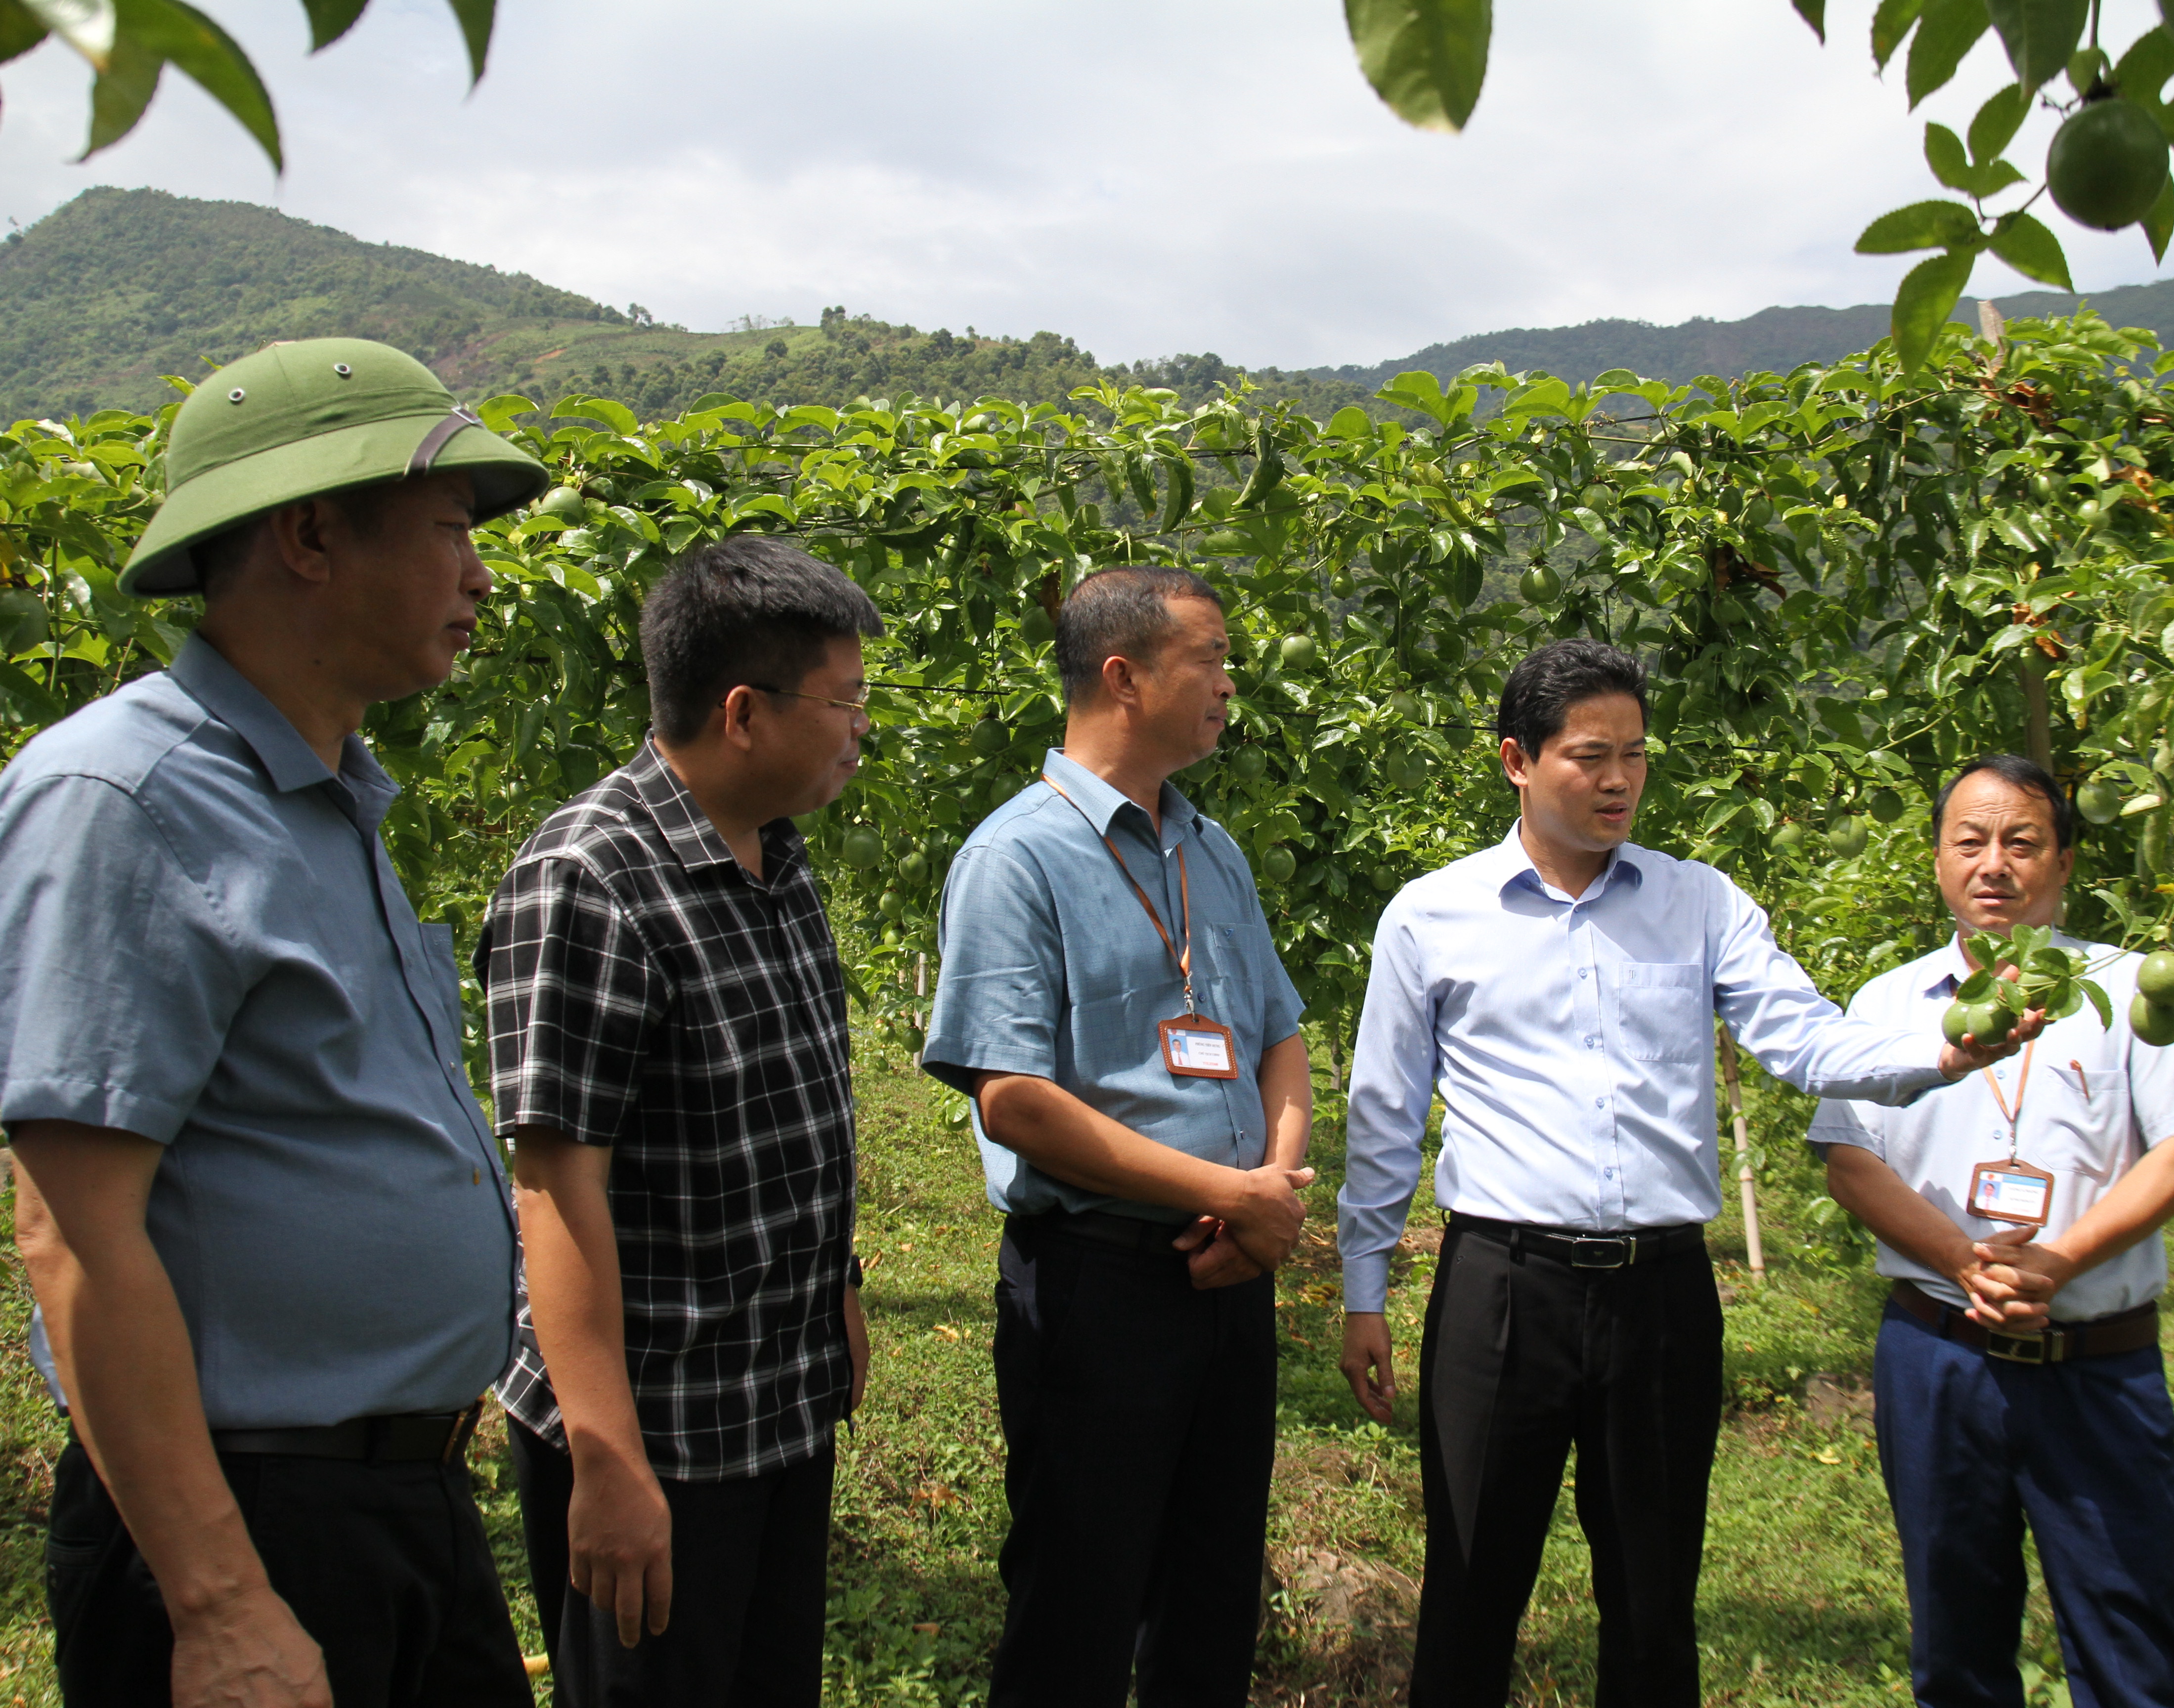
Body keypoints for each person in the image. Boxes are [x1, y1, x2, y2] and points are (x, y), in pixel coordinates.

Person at [1337, 639, 2043, 1708]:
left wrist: (1940, 1053)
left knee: (1655, 1598)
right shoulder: (1432, 915)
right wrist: (1365, 1290)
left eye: (1635, 755)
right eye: (1590, 756)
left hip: (1660, 1295)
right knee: (1473, 1584)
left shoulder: (1700, 903)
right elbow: (1385, 1113)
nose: (1619, 780)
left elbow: (1805, 1038)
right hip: (1502, 1289)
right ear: (1517, 760)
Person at [0, 337, 549, 1708]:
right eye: (450, 530)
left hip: (405, 1501)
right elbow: (72, 1229)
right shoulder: (126, 800)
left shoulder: (327, 798)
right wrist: (221, 1601)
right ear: (310, 537)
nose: (481, 575)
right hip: (252, 1518)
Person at [478, 536, 883, 1707]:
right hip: (660, 1431)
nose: (862, 729)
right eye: (844, 702)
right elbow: (557, 1187)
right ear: (744, 713)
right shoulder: (590, 880)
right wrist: (607, 1463)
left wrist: (838, 1288)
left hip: (776, 1401)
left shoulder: (777, 855)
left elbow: (788, 1114)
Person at [922, 565, 1316, 1708]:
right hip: (1101, 1287)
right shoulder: (1016, 859)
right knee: (1077, 1616)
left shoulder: (1212, 850)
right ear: (1124, 677)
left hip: (1229, 1282)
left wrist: (1273, 1192)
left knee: (1213, 1608)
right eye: (1211, 660)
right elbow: (1015, 1100)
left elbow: (1279, 1035)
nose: (1230, 685)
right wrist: (1231, 1195)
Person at [1811, 754, 2174, 1708]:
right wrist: (1961, 1260)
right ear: (1938, 859)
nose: (1994, 864)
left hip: (2093, 1359)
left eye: (2022, 842)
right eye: (1970, 841)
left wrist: (2055, 1261)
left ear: (2064, 862)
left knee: (2130, 1640)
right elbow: (1851, 1162)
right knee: (1954, 1638)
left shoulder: (2134, 991)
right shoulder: (1888, 1004)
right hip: (1939, 1352)